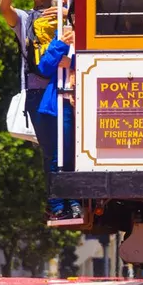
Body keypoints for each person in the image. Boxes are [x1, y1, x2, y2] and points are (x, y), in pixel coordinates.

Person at [0, 0, 69, 217]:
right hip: (39, 93)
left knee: (70, 150)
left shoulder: (65, 15)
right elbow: (4, 9)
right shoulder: (26, 19)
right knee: (50, 151)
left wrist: (65, 10)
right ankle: (56, 204)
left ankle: (72, 201)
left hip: (68, 90)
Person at [36, 17, 81, 219]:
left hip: (83, 101)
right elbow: (44, 68)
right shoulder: (62, 33)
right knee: (58, 154)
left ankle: (73, 200)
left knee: (75, 155)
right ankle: (58, 204)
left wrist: (72, 64)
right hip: (61, 103)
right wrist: (61, 43)